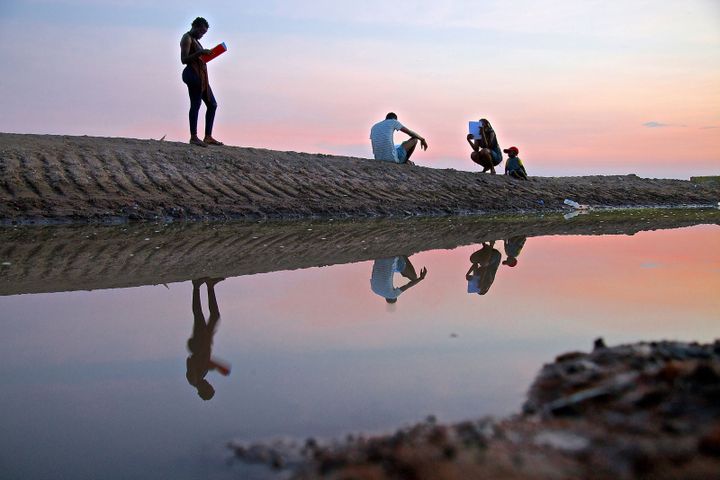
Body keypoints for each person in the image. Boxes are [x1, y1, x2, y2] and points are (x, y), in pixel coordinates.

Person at [180, 17, 223, 147]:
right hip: (192, 75)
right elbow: (184, 59)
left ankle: (208, 136)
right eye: (201, 32)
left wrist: (206, 54)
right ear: (194, 27)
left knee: (212, 104)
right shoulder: (186, 38)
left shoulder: (196, 40)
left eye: (204, 33)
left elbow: (198, 58)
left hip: (201, 76)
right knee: (196, 104)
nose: (202, 35)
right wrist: (200, 52)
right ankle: (193, 136)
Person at [186, 277, 230, 400]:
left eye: (209, 387)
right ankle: (210, 286)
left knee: (198, 315)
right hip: (205, 342)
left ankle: (196, 286)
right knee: (215, 316)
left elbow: (189, 361)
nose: (209, 384)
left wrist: (200, 362)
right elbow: (205, 361)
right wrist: (216, 366)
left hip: (199, 343)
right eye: (210, 386)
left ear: (203, 390)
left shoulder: (194, 380)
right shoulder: (202, 375)